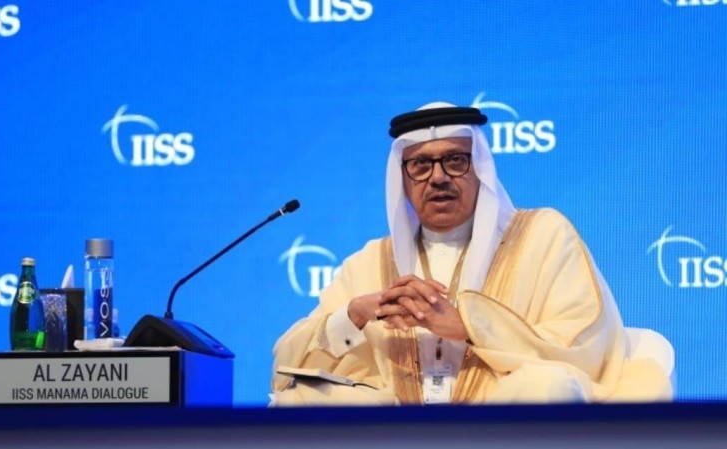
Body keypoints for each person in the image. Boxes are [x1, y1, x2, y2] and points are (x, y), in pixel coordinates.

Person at [271, 102, 672, 405]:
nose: (438, 177)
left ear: (479, 167)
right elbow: (287, 362)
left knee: (546, 386)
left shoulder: (543, 236)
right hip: (399, 424)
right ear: (402, 180)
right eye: (420, 165)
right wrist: (357, 313)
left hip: (497, 412)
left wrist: (467, 326)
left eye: (454, 160)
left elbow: (584, 344)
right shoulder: (371, 262)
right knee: (300, 399)